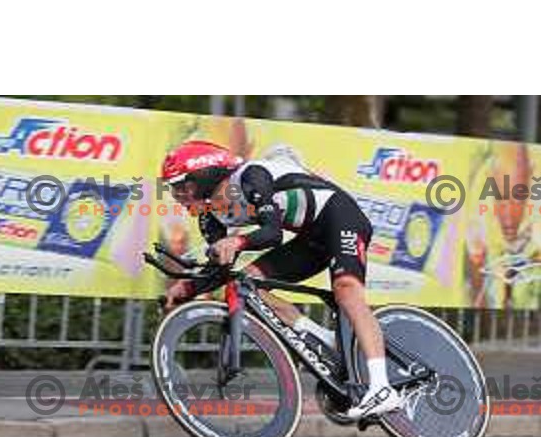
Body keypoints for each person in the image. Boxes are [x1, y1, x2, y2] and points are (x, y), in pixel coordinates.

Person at [160, 140, 402, 419]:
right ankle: (323, 338)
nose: (178, 195)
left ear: (205, 176)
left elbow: (272, 234)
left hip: (340, 216)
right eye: (173, 189)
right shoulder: (209, 216)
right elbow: (221, 269)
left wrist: (236, 241)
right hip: (310, 238)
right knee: (245, 283)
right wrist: (187, 288)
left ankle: (383, 389)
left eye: (182, 186)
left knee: (346, 290)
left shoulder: (251, 177)